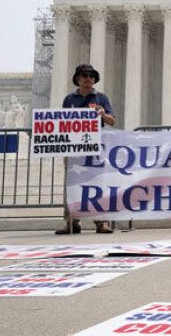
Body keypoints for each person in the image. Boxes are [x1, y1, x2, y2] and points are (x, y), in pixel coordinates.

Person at [56, 63, 116, 235]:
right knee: (71, 186)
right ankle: (71, 222)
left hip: (96, 148)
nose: (88, 79)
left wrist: (103, 114)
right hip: (74, 150)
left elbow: (112, 121)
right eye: (84, 75)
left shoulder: (101, 98)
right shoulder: (69, 100)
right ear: (77, 79)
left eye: (91, 76)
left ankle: (101, 222)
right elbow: (62, 123)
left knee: (99, 183)